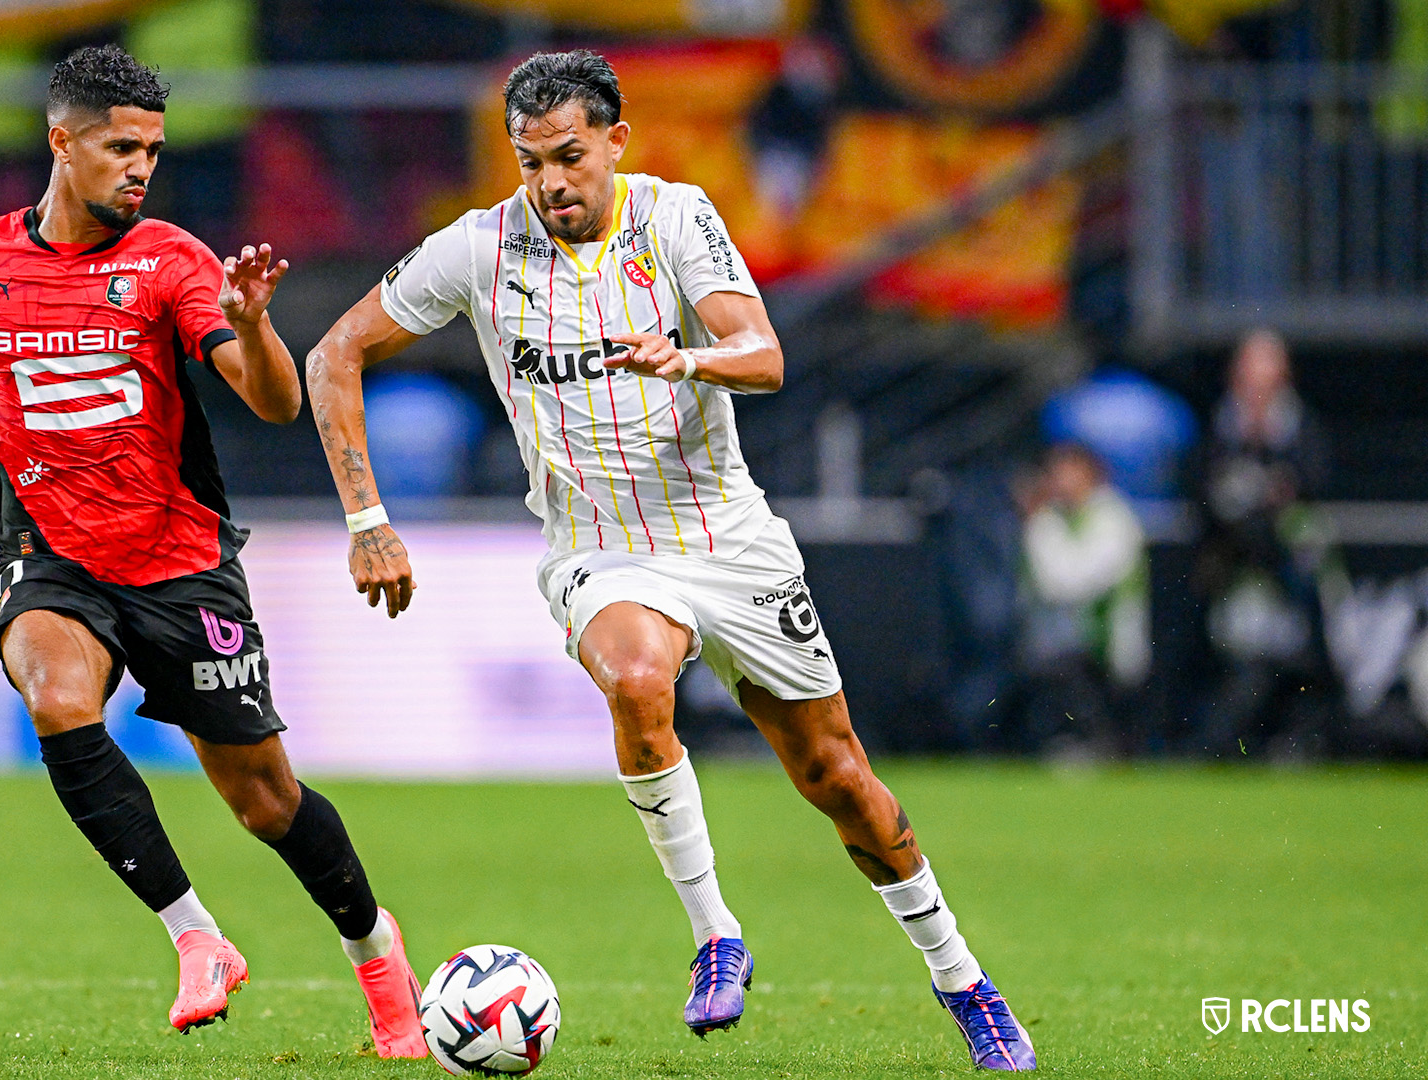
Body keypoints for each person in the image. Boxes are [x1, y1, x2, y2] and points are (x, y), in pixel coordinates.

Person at [303, 50, 1034, 1070]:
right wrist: (367, 519)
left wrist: (685, 355)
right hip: (599, 549)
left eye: (568, 156)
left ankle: (965, 982)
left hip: (726, 536)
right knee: (640, 681)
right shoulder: (479, 250)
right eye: (529, 162)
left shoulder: (675, 220)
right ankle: (715, 937)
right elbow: (330, 352)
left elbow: (766, 354)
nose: (551, 182)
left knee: (837, 777)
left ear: (615, 141)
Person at [0, 45, 425, 1057]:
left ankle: (378, 954)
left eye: (152, 149)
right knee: (57, 695)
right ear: (61, 143)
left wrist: (253, 323)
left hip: (180, 559)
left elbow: (274, 401)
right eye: (121, 147)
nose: (142, 167)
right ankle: (197, 938)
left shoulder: (173, 261)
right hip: (51, 554)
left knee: (263, 798)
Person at [1192, 327, 1337, 757]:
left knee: (1301, 655)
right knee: (1237, 658)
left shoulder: (1298, 427)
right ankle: (1229, 744)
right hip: (1237, 568)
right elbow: (1204, 489)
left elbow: (1312, 484)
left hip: (1291, 564)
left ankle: (1299, 738)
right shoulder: (1222, 425)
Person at [1016, 443, 1150, 757]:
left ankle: (1096, 746)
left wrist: (1038, 522)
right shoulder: (1060, 517)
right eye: (1055, 473)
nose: (1060, 481)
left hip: (1106, 645)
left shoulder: (1113, 519)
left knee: (1073, 680)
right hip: (1066, 645)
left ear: (1092, 474)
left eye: (1069, 472)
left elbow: (1065, 585)